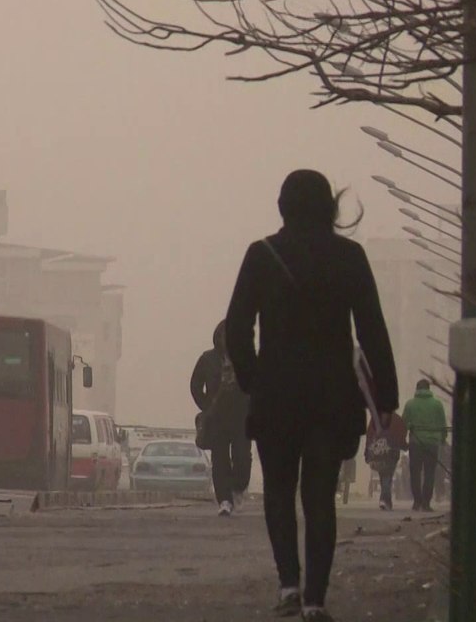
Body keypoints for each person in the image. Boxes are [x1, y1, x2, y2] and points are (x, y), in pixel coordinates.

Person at [225, 169, 399, 622]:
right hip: (331, 397)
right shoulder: (350, 256)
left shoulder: (261, 256)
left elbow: (237, 329)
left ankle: (288, 585)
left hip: (277, 395)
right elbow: (372, 330)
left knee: (279, 491)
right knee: (319, 495)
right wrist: (386, 398)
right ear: (329, 207)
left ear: (282, 207)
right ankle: (316, 601)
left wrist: (253, 380)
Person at [190, 320, 252, 516]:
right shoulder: (207, 359)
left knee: (242, 457)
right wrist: (205, 406)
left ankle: (238, 488)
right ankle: (224, 500)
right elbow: (195, 385)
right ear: (218, 337)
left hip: (242, 417)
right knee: (220, 460)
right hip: (217, 417)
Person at [402, 379, 448, 512]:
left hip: (415, 442)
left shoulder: (410, 404)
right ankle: (426, 503)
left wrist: (404, 440)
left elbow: (404, 423)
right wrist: (443, 439)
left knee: (415, 472)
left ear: (417, 389)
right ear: (429, 389)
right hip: (432, 443)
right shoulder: (437, 405)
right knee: (430, 473)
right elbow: (442, 424)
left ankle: (417, 501)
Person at [364, 409, 407, 510]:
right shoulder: (397, 419)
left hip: (379, 450)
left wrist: (367, 452)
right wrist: (403, 445)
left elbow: (370, 435)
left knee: (383, 474)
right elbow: (402, 434)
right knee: (388, 474)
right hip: (393, 450)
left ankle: (385, 499)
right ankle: (385, 499)